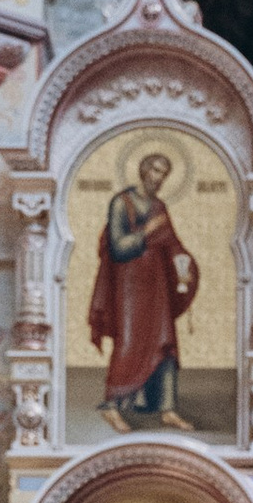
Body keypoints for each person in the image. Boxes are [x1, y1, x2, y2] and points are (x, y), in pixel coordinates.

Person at [87, 151, 201, 422]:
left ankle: (166, 408)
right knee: (129, 339)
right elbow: (118, 247)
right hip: (128, 284)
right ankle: (112, 404)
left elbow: (173, 244)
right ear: (143, 170)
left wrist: (183, 265)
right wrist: (147, 232)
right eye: (156, 171)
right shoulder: (121, 203)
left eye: (164, 174)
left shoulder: (159, 207)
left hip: (157, 284)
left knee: (165, 341)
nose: (159, 179)